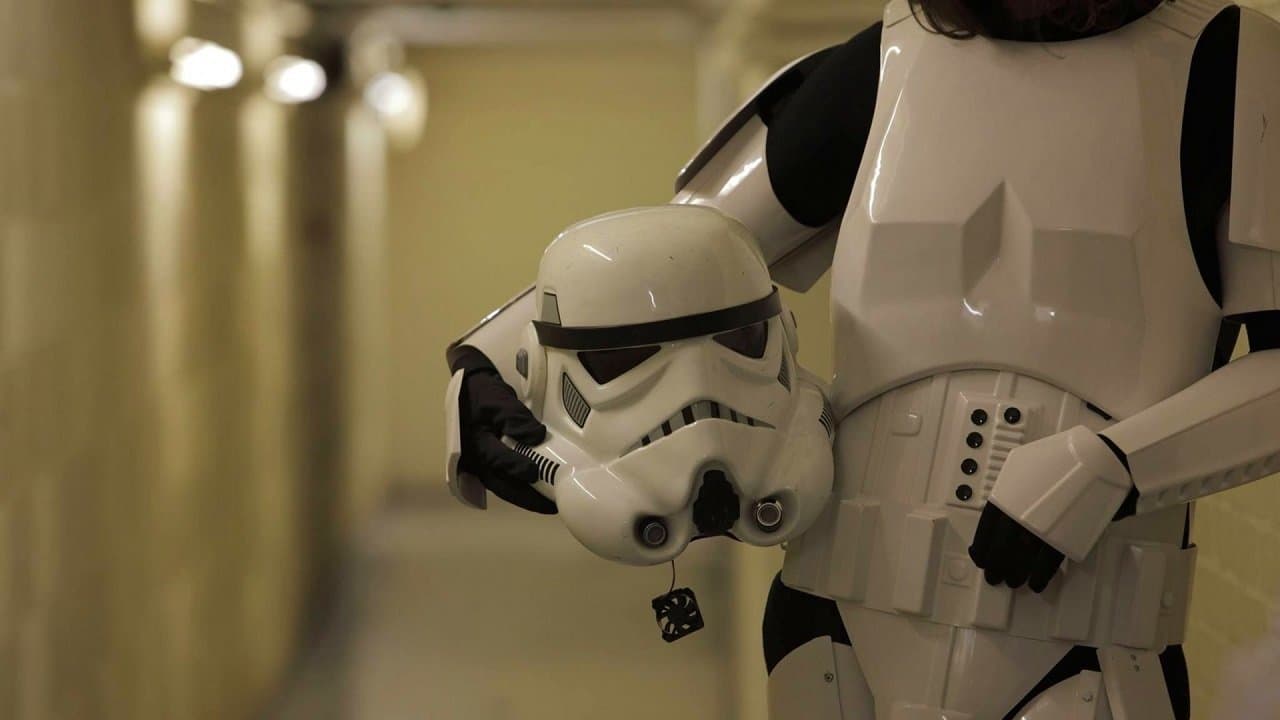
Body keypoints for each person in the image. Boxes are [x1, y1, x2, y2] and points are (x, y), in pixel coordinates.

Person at [445, 1, 1280, 717]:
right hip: (831, 624)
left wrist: (1113, 467)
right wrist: (488, 367)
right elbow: (671, 258)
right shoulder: (882, 63)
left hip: (1084, 642)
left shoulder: (1233, 68)